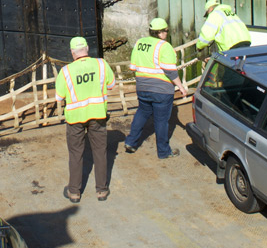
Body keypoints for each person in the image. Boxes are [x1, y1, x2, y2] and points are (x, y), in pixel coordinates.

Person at [55, 36, 115, 203]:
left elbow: (59, 97)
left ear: (72, 53)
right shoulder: (102, 64)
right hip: (98, 116)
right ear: (87, 49)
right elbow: (111, 85)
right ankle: (102, 190)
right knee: (100, 152)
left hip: (75, 119)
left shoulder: (66, 71)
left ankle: (74, 192)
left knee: (75, 154)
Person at [124, 18, 188, 160]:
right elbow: (170, 71)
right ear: (160, 32)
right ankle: (164, 152)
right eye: (166, 31)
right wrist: (181, 87)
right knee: (161, 120)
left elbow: (133, 67)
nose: (167, 33)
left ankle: (130, 142)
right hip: (161, 90)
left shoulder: (139, 43)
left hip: (142, 87)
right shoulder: (164, 46)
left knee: (142, 112)